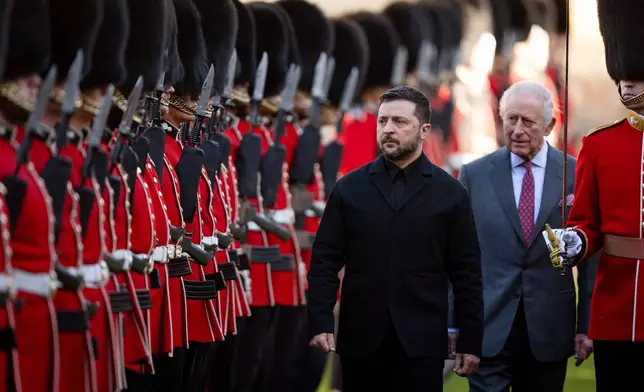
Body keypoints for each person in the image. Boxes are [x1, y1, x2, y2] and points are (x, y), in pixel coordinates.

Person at [307, 85, 483, 392]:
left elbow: (467, 273)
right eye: (383, 121)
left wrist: (470, 339)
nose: (389, 129)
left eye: (400, 122)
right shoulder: (349, 189)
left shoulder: (451, 194)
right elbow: (324, 260)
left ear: (424, 130)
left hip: (422, 344)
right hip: (360, 342)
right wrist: (321, 320)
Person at [456, 80, 595, 392]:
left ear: (549, 126)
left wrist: (586, 327)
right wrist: (454, 323)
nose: (517, 129)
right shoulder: (474, 175)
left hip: (549, 329)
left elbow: (590, 260)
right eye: (511, 119)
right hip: (488, 328)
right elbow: (458, 258)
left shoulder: (577, 174)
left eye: (528, 122)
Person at [542, 1, 644, 390]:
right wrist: (576, 240)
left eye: (636, 75)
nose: (627, 84)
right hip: (616, 308)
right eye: (625, 75)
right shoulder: (599, 145)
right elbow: (587, 221)